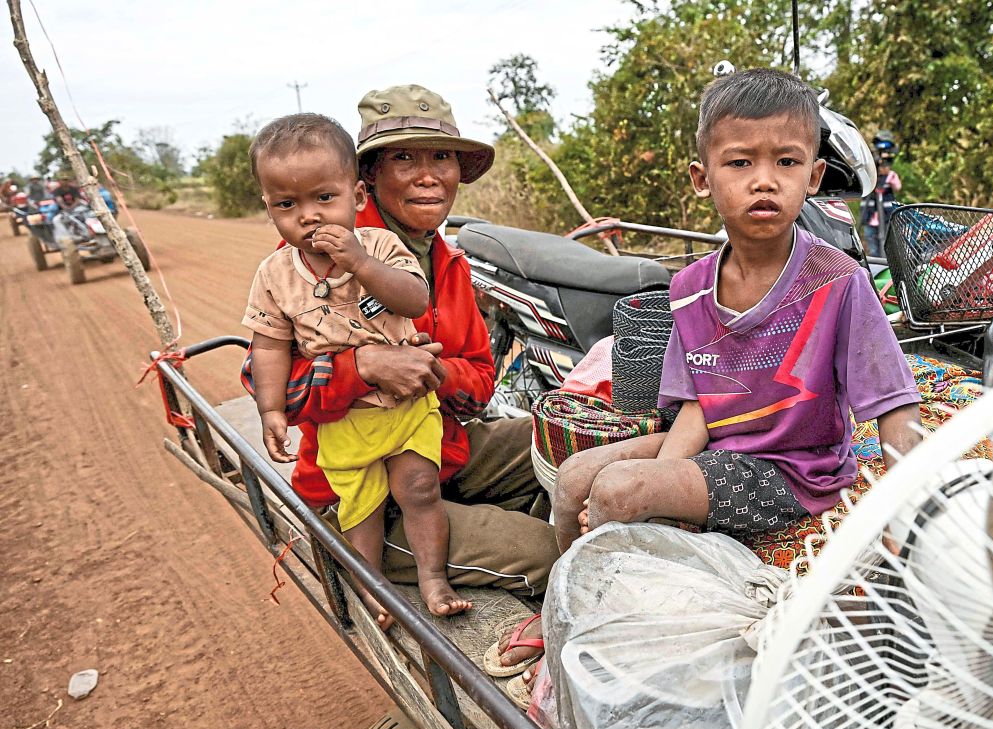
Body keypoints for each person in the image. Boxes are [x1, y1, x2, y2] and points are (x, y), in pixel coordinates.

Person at [240, 87, 557, 661]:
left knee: (555, 440)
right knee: (542, 549)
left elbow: (483, 379)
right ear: (368, 178)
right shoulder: (312, 253)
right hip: (358, 484)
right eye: (405, 158)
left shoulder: (450, 262)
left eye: (442, 158)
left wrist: (431, 371)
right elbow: (262, 374)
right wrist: (363, 366)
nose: (427, 176)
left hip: (436, 441)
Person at [552, 68, 922, 554]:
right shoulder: (689, 289)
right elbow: (698, 406)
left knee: (619, 491)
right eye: (740, 162)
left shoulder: (838, 280)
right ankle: (568, 600)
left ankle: (615, 593)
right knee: (575, 476)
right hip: (720, 444)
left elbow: (895, 403)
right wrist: (666, 474)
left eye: (787, 162)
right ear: (703, 179)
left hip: (793, 469)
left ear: (813, 176)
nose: (764, 181)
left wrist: (903, 520)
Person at [243, 114, 469, 623]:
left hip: (408, 410)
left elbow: (413, 300)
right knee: (359, 506)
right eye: (287, 204)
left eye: (324, 199)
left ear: (356, 196)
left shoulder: (384, 249)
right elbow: (270, 346)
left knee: (418, 488)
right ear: (270, 209)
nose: (308, 217)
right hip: (343, 420)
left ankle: (434, 578)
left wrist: (362, 264)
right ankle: (374, 588)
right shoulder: (276, 274)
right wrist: (271, 408)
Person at [860, 134, 901, 256]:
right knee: (872, 246)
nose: (883, 166)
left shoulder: (891, 175)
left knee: (887, 246)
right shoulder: (869, 176)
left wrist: (889, 175)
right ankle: (877, 264)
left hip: (886, 217)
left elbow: (897, 187)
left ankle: (886, 264)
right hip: (870, 217)